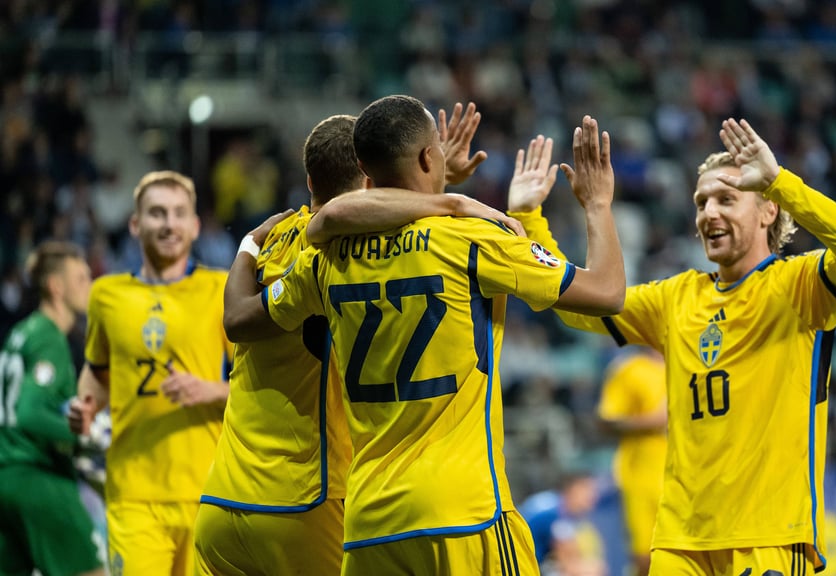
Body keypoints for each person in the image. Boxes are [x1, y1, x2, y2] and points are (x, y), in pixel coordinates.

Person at [222, 94, 625, 575]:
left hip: (370, 523)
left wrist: (248, 247)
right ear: (429, 156)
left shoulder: (324, 258)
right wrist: (598, 204)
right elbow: (606, 292)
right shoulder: (470, 238)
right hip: (464, 512)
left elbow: (243, 317)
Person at [509, 118, 836, 574]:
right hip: (680, 540)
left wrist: (781, 183)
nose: (708, 213)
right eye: (702, 202)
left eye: (726, 199)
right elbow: (575, 305)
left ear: (767, 212)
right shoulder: (675, 298)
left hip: (767, 537)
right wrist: (529, 219)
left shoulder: (800, 285)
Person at [195, 104, 525, 576]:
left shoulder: (274, 239)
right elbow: (405, 239)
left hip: (222, 497)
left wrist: (246, 247)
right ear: (372, 177)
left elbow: (237, 318)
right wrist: (440, 191)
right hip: (311, 497)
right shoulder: (333, 246)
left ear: (310, 182)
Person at [67, 170, 233, 576]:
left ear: (195, 226)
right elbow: (98, 371)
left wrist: (209, 390)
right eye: (157, 213)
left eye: (179, 214)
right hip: (133, 493)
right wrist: (85, 404)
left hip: (209, 494)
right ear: (136, 224)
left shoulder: (222, 289)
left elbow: (256, 386)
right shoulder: (106, 294)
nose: (169, 223)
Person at [0, 241, 103, 576]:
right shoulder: (49, 337)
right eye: (81, 278)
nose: (90, 285)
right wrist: (83, 436)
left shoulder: (20, 332)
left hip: (6, 477)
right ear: (56, 287)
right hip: (37, 477)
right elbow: (28, 412)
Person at [595, 347, 667, 576]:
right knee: (645, 556)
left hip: (692, 474)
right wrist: (652, 422)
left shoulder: (695, 359)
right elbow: (606, 421)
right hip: (643, 475)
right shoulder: (630, 368)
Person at [525, 471, 608, 576]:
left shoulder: (557, 505)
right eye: (588, 489)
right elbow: (569, 563)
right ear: (574, 488)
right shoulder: (556, 512)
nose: (594, 497)